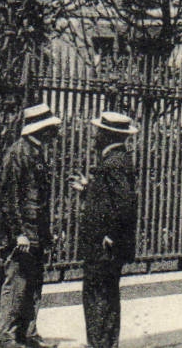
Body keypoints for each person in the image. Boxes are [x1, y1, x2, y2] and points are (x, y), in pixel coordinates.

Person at [0, 102, 62, 348]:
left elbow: (39, 201)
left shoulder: (36, 153)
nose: (54, 134)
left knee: (33, 284)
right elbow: (8, 198)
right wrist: (18, 233)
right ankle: (7, 335)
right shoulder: (17, 153)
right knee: (17, 283)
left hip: (35, 233)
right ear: (40, 130)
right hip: (21, 235)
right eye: (51, 129)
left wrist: (45, 234)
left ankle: (29, 334)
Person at [73, 111, 140, 348]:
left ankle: (99, 344)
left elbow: (123, 203)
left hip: (104, 244)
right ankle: (106, 343)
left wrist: (110, 234)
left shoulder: (112, 163)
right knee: (107, 295)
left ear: (108, 135)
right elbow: (111, 198)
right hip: (108, 243)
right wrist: (88, 189)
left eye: (99, 132)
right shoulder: (119, 160)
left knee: (97, 295)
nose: (95, 136)